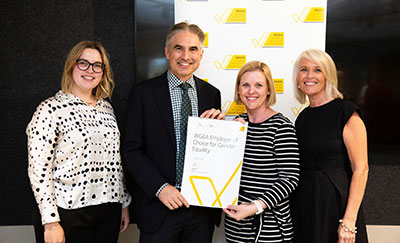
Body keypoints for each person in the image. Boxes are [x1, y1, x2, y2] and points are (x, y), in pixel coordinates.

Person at [122, 21, 224, 243]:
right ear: (167, 52)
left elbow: (214, 152)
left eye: (193, 49)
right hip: (159, 207)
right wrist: (160, 188)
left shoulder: (211, 94)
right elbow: (131, 150)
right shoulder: (143, 94)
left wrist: (223, 131)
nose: (186, 55)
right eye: (179, 48)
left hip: (200, 210)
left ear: (201, 54)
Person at [26, 41, 131, 243]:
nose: (90, 70)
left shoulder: (107, 109)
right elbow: (38, 169)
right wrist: (50, 223)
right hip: (67, 212)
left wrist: (124, 203)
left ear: (103, 71)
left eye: (97, 65)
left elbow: (115, 162)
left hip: (108, 210)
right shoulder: (50, 109)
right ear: (71, 66)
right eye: (83, 63)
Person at [291, 49, 369, 243]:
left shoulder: (346, 112)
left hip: (335, 205)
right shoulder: (302, 118)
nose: (310, 76)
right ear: (297, 78)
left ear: (328, 76)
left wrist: (349, 221)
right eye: (304, 70)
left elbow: (361, 169)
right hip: (305, 205)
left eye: (317, 70)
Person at [224, 61, 300, 243]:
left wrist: (254, 207)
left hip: (270, 228)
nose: (251, 91)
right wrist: (228, 137)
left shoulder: (281, 127)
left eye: (258, 85)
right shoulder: (235, 125)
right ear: (238, 90)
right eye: (245, 85)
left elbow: (290, 179)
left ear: (268, 90)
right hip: (235, 225)